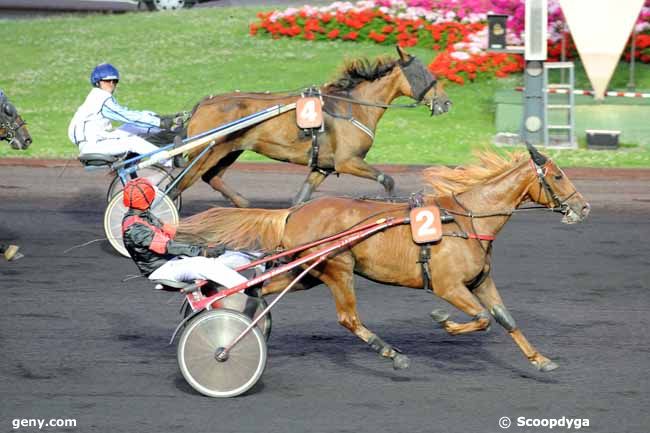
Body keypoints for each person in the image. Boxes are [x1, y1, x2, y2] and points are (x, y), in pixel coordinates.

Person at [121, 178, 252, 288]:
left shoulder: (145, 216)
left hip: (173, 261)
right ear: (149, 198)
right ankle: (247, 289)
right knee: (205, 265)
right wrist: (202, 251)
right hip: (162, 269)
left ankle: (261, 263)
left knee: (226, 256)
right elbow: (168, 246)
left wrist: (205, 242)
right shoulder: (135, 228)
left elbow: (173, 234)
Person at [68, 63, 177, 159]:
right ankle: (170, 160)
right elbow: (127, 116)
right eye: (107, 81)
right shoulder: (100, 98)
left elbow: (130, 115)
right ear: (97, 82)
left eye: (114, 81)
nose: (111, 84)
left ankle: (172, 132)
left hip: (101, 139)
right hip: (93, 146)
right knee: (133, 141)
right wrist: (160, 122)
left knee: (141, 119)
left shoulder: (97, 97)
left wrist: (163, 119)